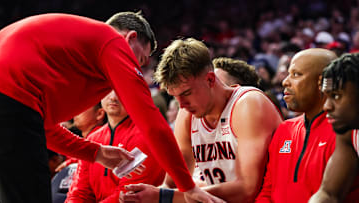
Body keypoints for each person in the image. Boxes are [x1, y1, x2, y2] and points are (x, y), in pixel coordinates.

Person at [0, 12, 220, 203]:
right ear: (130, 38)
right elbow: (152, 124)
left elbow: (43, 128)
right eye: (139, 59)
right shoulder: (112, 40)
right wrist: (188, 188)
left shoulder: (72, 52)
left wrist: (96, 153)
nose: (136, 69)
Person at [121, 38, 283, 202]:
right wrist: (143, 196)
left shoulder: (248, 104)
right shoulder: (187, 115)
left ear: (210, 80)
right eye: (175, 97)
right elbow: (171, 184)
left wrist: (164, 197)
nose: (181, 105)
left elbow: (248, 189)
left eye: (186, 93)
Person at [255, 48, 359, 203]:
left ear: (320, 82)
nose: (285, 81)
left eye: (296, 74)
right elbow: (328, 194)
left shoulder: (345, 131)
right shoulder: (284, 129)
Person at [66, 90, 165, 202]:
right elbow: (79, 191)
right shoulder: (92, 138)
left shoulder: (147, 135)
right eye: (108, 90)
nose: (113, 97)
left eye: (119, 90)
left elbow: (128, 194)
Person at [309, 53, 359, 202]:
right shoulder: (350, 130)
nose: (326, 106)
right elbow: (329, 194)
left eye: (336, 96)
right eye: (326, 96)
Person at [55, 103, 107, 172]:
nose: (76, 111)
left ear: (99, 114)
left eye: (83, 107)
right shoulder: (81, 141)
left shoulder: (103, 139)